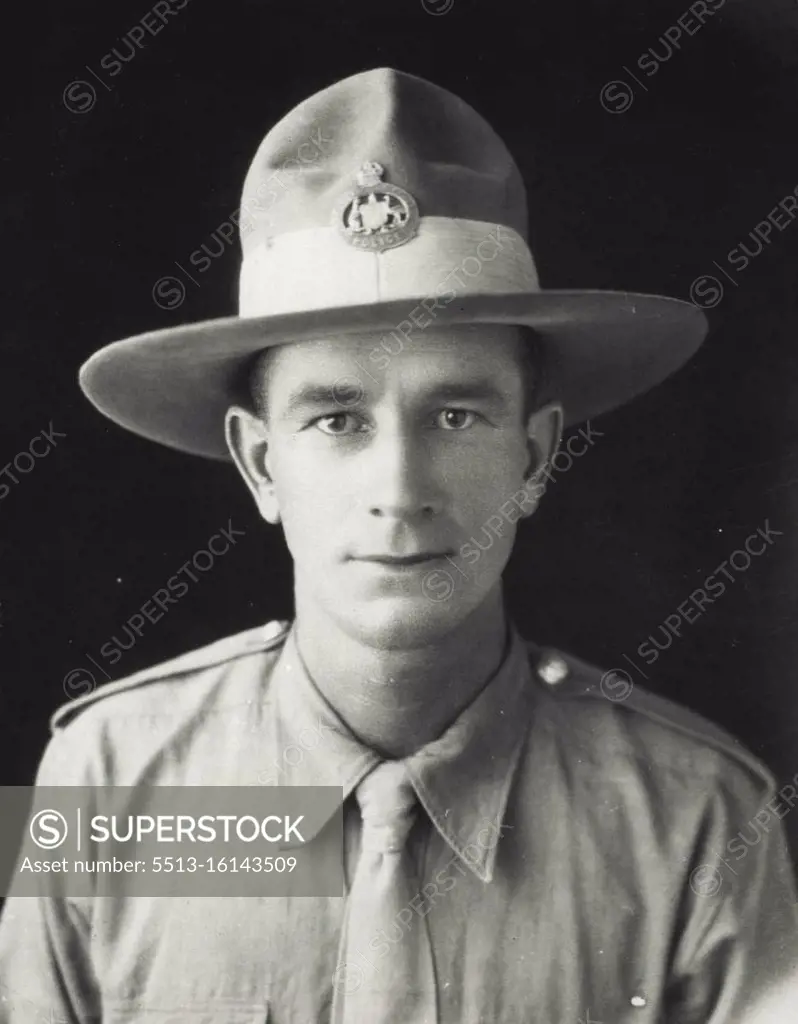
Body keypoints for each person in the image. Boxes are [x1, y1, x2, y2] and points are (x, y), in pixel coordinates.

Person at [1, 67, 796, 1024]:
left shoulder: (695, 821)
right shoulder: (111, 785)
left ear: (534, 455)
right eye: (336, 421)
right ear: (259, 466)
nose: (400, 492)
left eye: (457, 415)